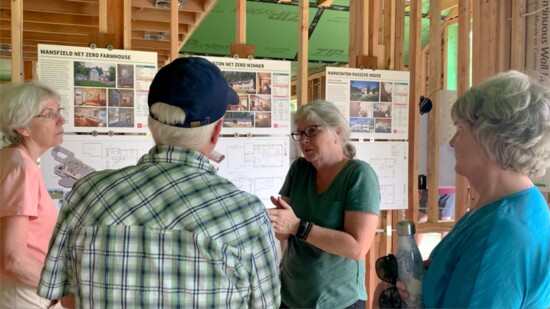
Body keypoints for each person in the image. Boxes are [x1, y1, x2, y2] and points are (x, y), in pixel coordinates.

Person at [37, 57, 281, 308]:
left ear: (152, 124)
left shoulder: (87, 193)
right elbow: (265, 304)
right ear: (217, 130)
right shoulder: (247, 214)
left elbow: (66, 297)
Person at [401, 71, 550, 308]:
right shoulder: (517, 203)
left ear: (489, 136)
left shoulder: (501, 233)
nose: (452, 142)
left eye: (460, 129)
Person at [268, 100, 381, 309]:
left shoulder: (359, 175)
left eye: (312, 131)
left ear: (337, 132)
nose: (304, 140)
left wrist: (297, 227)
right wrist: (277, 221)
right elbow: (282, 234)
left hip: (339, 301)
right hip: (291, 295)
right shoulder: (299, 169)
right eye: (299, 134)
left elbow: (357, 248)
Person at [0, 81, 67, 308]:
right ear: (22, 127)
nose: (62, 120)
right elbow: (13, 259)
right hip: (23, 293)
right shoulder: (21, 168)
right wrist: (62, 291)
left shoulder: (10, 159)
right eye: (50, 114)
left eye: (59, 112)